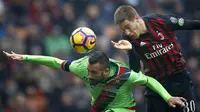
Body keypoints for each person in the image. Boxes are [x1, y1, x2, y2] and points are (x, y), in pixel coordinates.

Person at [3, 51, 185, 112]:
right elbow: (54, 61)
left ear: (106, 71)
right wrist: (24, 57)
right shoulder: (80, 67)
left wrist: (168, 97)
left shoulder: (126, 75)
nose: (88, 76)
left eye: (94, 72)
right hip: (99, 108)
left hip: (123, 109)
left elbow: (150, 81)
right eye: (88, 71)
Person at [112, 5, 200, 112]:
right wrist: (131, 51)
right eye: (123, 29)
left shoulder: (159, 22)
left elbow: (190, 24)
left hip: (179, 80)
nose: (127, 32)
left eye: (128, 27)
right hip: (155, 87)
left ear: (137, 18)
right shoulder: (127, 38)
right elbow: (135, 70)